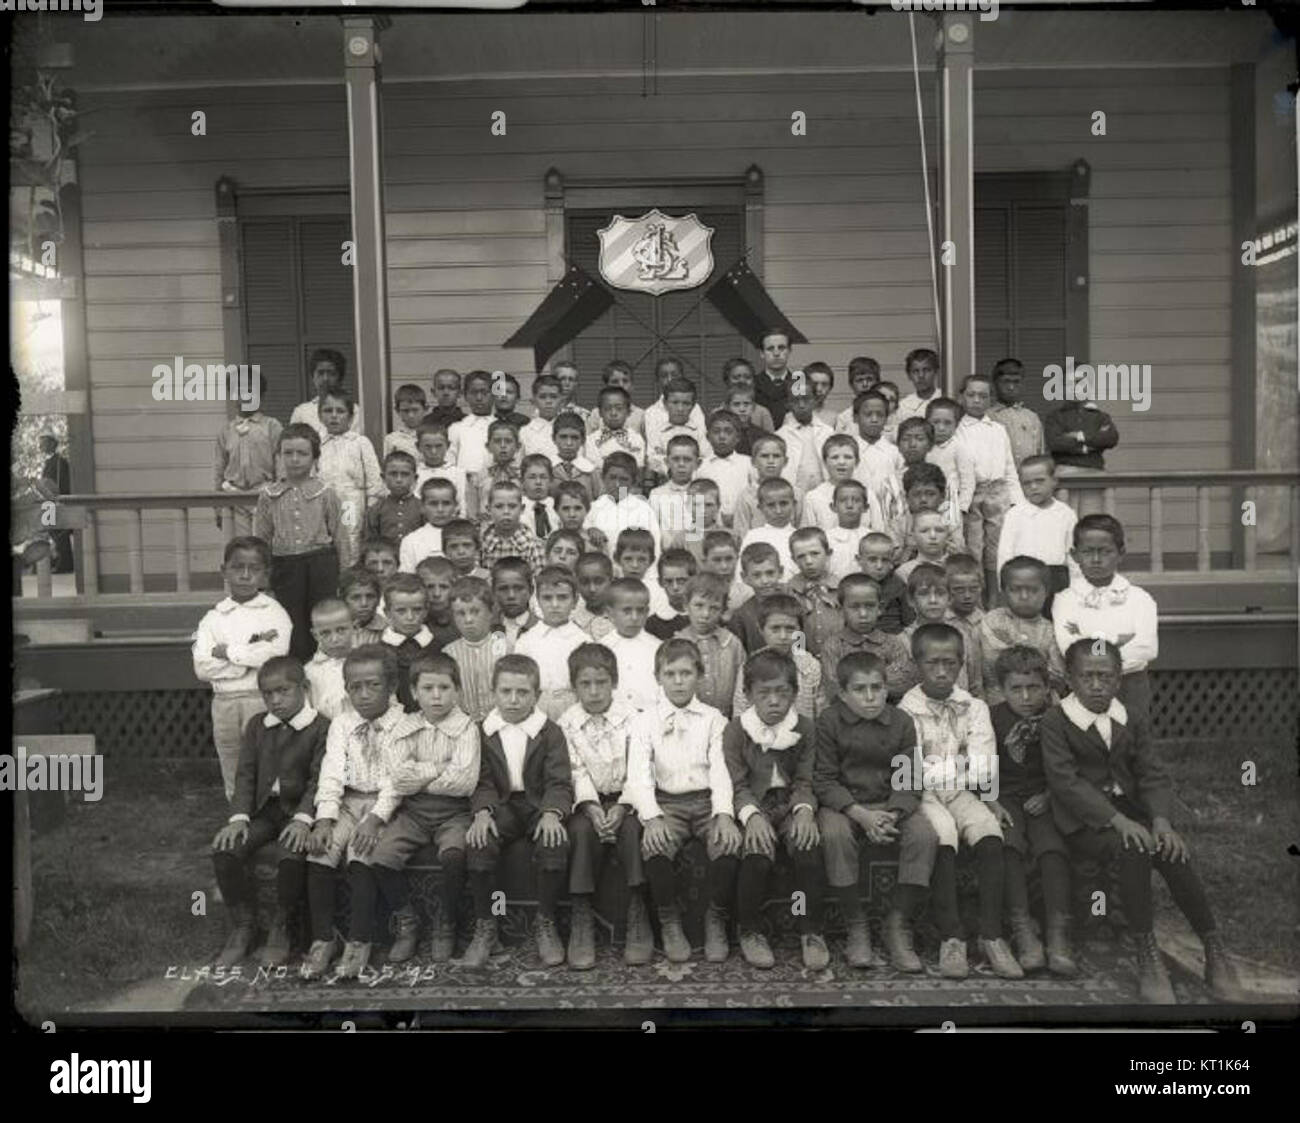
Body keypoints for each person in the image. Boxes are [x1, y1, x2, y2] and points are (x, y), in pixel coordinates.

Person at [1041, 640, 1244, 1003]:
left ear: (1119, 680)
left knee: (1169, 851)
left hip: (1130, 812)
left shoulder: (1129, 717)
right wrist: (1118, 822)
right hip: (1083, 822)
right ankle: (1146, 950)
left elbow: (1151, 773)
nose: (1097, 685)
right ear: (1070, 680)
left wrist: (1162, 822)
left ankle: (1214, 947)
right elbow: (1066, 783)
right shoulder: (1056, 721)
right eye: (1087, 676)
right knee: (1133, 846)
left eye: (1105, 676)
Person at [899, 623, 1023, 980]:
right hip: (922, 795)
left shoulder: (975, 707)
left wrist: (953, 770)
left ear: (962, 664)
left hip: (962, 791)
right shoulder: (906, 710)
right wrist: (959, 764)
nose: (941, 672)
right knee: (944, 833)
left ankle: (991, 934)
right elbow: (910, 771)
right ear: (916, 664)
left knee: (988, 831)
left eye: (950, 664)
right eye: (932, 663)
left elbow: (983, 767)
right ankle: (951, 935)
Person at [814, 650, 937, 970]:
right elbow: (824, 780)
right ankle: (856, 924)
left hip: (889, 802)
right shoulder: (829, 721)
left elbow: (910, 779)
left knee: (924, 835)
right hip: (845, 805)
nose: (870, 697)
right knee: (834, 834)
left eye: (877, 688)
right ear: (842, 693)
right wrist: (861, 815)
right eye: (859, 689)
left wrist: (893, 814)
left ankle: (898, 924)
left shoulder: (901, 721)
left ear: (887, 688)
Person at [623, 638, 741, 963]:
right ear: (658, 676)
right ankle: (668, 920)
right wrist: (652, 816)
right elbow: (638, 774)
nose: (678, 681)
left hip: (705, 801)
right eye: (670, 673)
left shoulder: (714, 718)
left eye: (686, 673)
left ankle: (716, 916)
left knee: (728, 843)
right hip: (667, 803)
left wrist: (723, 814)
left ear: (698, 675)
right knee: (656, 846)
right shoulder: (645, 719)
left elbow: (720, 770)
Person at [363, 651, 480, 965]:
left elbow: (464, 782)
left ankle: (446, 921)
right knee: (381, 859)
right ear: (414, 692)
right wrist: (439, 767)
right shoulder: (405, 727)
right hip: (413, 812)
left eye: (444, 688)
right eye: (428, 689)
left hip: (455, 812)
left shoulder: (467, 727)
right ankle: (407, 920)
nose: (437, 696)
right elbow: (399, 780)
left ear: (457, 690)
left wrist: (420, 771)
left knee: (455, 855)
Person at [211, 654, 328, 968]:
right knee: (226, 849)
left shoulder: (320, 727)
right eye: (268, 694)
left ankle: (282, 927)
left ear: (303, 688)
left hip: (299, 812)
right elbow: (245, 775)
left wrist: (305, 819)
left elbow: (320, 780)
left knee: (291, 854)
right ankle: (243, 926)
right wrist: (238, 818)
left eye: (283, 691)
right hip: (265, 811)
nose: (275, 701)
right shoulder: (257, 726)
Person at [463, 654, 574, 968]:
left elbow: (559, 781)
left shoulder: (549, 732)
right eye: (505, 692)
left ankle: (545, 920)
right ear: (493, 692)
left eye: (522, 693)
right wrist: (483, 812)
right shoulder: (483, 731)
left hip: (538, 804)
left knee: (553, 843)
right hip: (500, 804)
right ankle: (490, 921)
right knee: (481, 844)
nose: (513, 700)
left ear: (536, 696)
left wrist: (552, 813)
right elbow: (480, 780)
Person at [303, 645, 407, 979]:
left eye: (372, 685)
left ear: (391, 686)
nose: (362, 695)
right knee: (320, 852)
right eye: (354, 687)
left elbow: (398, 782)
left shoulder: (405, 724)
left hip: (385, 805)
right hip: (347, 802)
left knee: (361, 854)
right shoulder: (342, 724)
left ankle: (360, 940)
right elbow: (331, 773)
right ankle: (323, 939)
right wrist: (324, 819)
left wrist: (376, 818)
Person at [725, 649, 828, 969]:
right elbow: (738, 785)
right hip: (755, 806)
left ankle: (809, 927)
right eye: (764, 693)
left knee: (807, 849)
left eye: (782, 693)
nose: (774, 702)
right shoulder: (736, 730)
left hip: (791, 803)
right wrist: (752, 817)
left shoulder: (806, 728)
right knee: (755, 855)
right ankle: (750, 929)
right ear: (748, 695)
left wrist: (804, 810)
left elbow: (806, 778)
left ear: (795, 694)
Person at [986, 645, 1076, 976]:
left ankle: (1058, 933)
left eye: (1033, 688)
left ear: (1046, 687)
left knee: (1052, 848)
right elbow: (983, 765)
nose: (1025, 697)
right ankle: (1023, 929)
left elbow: (1072, 765)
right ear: (1002, 689)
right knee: (1009, 845)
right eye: (1016, 689)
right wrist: (991, 800)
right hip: (1005, 795)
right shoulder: (992, 717)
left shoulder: (1058, 717)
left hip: (1044, 795)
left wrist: (1051, 795)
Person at [559, 643, 649, 968]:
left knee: (632, 831)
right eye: (585, 684)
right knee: (582, 834)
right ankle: (581, 918)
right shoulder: (566, 724)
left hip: (628, 799)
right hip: (588, 802)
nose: (594, 692)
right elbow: (574, 770)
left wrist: (623, 805)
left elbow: (640, 767)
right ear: (574, 686)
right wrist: (592, 807)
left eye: (601, 683)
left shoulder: (634, 718)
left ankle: (638, 910)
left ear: (614, 682)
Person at [194, 536, 293, 800]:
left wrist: (228, 653)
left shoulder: (273, 613)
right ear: (224, 571)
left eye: (254, 568)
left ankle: (270, 809)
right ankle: (237, 808)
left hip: (259, 698)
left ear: (265, 574)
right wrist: (246, 662)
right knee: (231, 756)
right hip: (223, 701)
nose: (245, 575)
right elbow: (203, 667)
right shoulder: (213, 618)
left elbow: (274, 654)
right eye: (238, 567)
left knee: (264, 755)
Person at [255, 424, 350, 662]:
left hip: (321, 565)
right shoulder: (269, 495)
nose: (295, 459)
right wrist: (263, 577)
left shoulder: (326, 492)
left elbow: (340, 534)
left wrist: (345, 574)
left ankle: (326, 668)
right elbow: (263, 539)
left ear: (315, 457)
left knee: (322, 619)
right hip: (285, 567)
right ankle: (299, 672)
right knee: (291, 624)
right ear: (279, 456)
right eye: (288, 453)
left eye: (302, 453)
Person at [1051, 513, 1157, 725]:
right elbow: (1070, 647)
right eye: (1088, 552)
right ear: (1074, 555)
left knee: (1130, 736)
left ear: (1121, 553)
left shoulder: (1139, 598)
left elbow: (1146, 648)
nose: (1097, 559)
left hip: (1129, 684)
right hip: (1084, 684)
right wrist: (1118, 639)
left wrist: (1093, 640)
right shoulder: (1065, 600)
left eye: (1105, 552)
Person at [957, 374, 1025, 599]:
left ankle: (994, 598)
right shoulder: (958, 431)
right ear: (962, 397)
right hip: (972, 495)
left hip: (998, 492)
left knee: (997, 547)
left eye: (982, 396)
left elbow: (1009, 467)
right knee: (974, 547)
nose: (976, 400)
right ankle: (975, 597)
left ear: (990, 400)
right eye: (971, 395)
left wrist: (1018, 502)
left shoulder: (998, 429)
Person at [980, 557, 1068, 706]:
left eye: (1033, 590)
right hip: (1000, 701)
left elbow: (1058, 675)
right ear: (1003, 590)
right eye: (1015, 590)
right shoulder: (993, 620)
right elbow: (996, 663)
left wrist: (1012, 645)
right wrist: (1039, 660)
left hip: (1042, 704)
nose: (1024, 596)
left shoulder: (1052, 629)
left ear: (1046, 592)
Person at [997, 454, 1077, 614]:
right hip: (1024, 578)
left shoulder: (1066, 514)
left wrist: (1077, 586)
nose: (1033, 487)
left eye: (1039, 481)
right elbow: (1005, 552)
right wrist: (1004, 585)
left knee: (1057, 618)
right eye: (1027, 483)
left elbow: (1073, 554)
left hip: (1057, 578)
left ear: (1054, 481)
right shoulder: (1015, 514)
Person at [819, 573, 915, 704]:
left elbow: (903, 683)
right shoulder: (833, 645)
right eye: (854, 607)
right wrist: (883, 678)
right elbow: (835, 689)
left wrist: (854, 683)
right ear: (841, 610)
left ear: (880, 608)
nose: (863, 614)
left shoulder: (892, 643)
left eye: (869, 606)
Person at [732, 592, 826, 720]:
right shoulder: (750, 666)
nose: (783, 636)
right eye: (775, 629)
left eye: (790, 629)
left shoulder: (810, 666)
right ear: (761, 630)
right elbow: (740, 711)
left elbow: (820, 711)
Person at [317, 389, 384, 563]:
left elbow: (374, 479)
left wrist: (371, 509)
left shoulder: (360, 443)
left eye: (340, 411)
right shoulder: (317, 443)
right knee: (324, 543)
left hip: (350, 502)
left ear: (351, 417)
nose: (334, 416)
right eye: (328, 411)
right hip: (323, 502)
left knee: (350, 541)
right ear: (320, 416)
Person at [514, 566, 587, 720]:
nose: (554, 604)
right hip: (535, 707)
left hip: (573, 706)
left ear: (575, 600)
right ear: (537, 600)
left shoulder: (583, 641)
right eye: (547, 598)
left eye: (562, 597)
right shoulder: (526, 641)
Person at [213, 381, 280, 538]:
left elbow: (280, 465)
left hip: (263, 495)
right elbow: (219, 468)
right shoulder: (226, 430)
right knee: (237, 546)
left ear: (261, 396)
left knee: (262, 545)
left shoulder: (271, 426)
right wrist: (217, 506)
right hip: (233, 498)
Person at [680, 572, 744, 715]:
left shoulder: (732, 643)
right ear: (686, 605)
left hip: (726, 717)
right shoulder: (678, 643)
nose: (705, 614)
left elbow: (742, 685)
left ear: (723, 610)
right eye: (699, 605)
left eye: (714, 608)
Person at [1044, 396, 1119, 517]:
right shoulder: (1055, 416)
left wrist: (1080, 436)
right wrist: (1089, 446)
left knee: (1090, 519)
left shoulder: (1100, 416)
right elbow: (1055, 443)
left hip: (1093, 473)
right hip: (1065, 473)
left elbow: (1110, 438)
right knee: (1066, 520)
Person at [443, 576, 504, 722]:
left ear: (490, 612)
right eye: (461, 613)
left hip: (500, 722)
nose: (468, 620)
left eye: (475, 611)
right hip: (463, 725)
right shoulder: (448, 654)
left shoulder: (504, 646)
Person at [601, 577, 662, 712]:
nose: (634, 617)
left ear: (647, 612)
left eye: (640, 611)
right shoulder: (601, 649)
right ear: (610, 613)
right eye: (627, 611)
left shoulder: (658, 648)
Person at [583, 452, 660, 556]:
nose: (617, 484)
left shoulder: (643, 510)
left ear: (633, 481)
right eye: (612, 477)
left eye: (624, 479)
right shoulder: (592, 509)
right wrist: (590, 530)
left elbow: (655, 549)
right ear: (603, 477)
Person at [380, 573, 437, 712]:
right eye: (401, 611)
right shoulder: (379, 651)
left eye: (417, 610)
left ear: (426, 611)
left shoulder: (437, 646)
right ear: (387, 612)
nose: (410, 617)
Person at [733, 433, 800, 540]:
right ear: (753, 461)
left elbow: (804, 528)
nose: (770, 461)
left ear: (785, 461)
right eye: (764, 456)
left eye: (776, 456)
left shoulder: (796, 493)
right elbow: (741, 534)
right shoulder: (746, 496)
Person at [787, 526, 841, 657]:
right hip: (803, 661)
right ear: (794, 559)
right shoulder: (789, 592)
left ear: (828, 553)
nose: (809, 561)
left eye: (815, 554)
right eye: (801, 556)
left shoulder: (842, 588)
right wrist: (801, 658)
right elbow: (792, 629)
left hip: (839, 658)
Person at [726, 541, 787, 654]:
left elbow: (801, 639)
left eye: (770, 573)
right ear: (744, 577)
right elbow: (741, 653)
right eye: (757, 575)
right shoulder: (741, 616)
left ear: (781, 572)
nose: (765, 581)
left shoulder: (793, 603)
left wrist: (800, 658)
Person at [775, 380, 833, 494]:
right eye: (796, 400)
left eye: (806, 399)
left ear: (815, 401)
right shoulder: (780, 436)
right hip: (793, 494)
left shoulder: (828, 432)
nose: (801, 405)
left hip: (823, 493)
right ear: (788, 403)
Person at [696, 410, 752, 526]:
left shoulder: (748, 464)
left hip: (742, 523)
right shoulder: (700, 466)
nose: (722, 436)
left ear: (738, 437)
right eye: (716, 432)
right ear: (708, 437)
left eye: (728, 432)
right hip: (708, 525)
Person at [645, 377, 708, 479]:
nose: (680, 409)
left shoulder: (699, 432)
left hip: (694, 484)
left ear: (693, 405)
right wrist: (672, 471)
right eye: (675, 403)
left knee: (698, 495)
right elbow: (653, 460)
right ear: (665, 404)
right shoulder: (657, 433)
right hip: (665, 483)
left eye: (686, 403)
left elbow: (705, 458)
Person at [988, 358, 1045, 471]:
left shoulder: (1031, 418)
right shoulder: (988, 417)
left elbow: (1039, 452)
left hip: (1028, 481)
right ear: (995, 383)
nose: (1011, 387)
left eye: (1016, 382)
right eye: (1006, 381)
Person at [739, 477, 800, 581]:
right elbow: (743, 572)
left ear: (794, 504)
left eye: (784, 503)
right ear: (760, 508)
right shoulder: (754, 536)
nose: (778, 511)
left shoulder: (800, 536)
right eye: (771, 505)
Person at [290, 349, 360, 438]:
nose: (325, 378)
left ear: (340, 378)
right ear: (313, 377)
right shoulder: (301, 412)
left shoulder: (355, 411)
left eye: (331, 373)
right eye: (320, 373)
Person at [801, 434, 862, 533]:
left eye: (848, 457)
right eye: (835, 457)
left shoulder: (867, 494)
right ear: (824, 462)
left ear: (857, 461)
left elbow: (877, 532)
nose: (841, 462)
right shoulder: (813, 497)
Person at [304, 597, 353, 720]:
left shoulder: (368, 662)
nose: (335, 639)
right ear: (315, 635)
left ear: (354, 627)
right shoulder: (309, 672)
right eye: (325, 633)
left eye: (341, 630)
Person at [480, 480, 545, 571]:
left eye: (512, 506)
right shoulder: (482, 543)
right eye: (499, 506)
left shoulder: (533, 545)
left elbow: (538, 581)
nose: (506, 512)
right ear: (488, 509)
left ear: (522, 509)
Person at [648, 435, 700, 550]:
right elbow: (653, 532)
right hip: (668, 557)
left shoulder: (703, 492)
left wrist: (686, 537)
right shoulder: (657, 494)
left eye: (687, 459)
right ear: (667, 462)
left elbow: (707, 528)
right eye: (676, 459)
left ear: (697, 463)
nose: (681, 464)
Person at [398, 477, 458, 574]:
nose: (440, 509)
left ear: (455, 505)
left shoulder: (465, 534)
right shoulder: (411, 541)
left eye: (446, 503)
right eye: (433, 504)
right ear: (422, 507)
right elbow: (408, 578)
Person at [857, 531, 912, 634]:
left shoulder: (898, 585)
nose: (879, 566)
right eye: (873, 560)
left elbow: (908, 619)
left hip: (893, 638)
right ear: (859, 560)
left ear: (892, 562)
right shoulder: (853, 585)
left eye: (885, 560)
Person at [471, 419, 525, 523]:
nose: (503, 446)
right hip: (486, 527)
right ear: (488, 446)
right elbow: (473, 508)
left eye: (508, 441)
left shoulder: (524, 475)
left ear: (518, 446)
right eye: (497, 441)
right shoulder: (479, 475)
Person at [447, 370, 498, 478]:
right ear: (465, 396)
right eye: (473, 393)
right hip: (465, 486)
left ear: (494, 395)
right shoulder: (457, 428)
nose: (479, 398)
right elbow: (449, 462)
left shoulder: (502, 427)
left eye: (484, 392)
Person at [366, 451, 423, 545]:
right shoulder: (376, 509)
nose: (399, 480)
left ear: (415, 478)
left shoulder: (422, 507)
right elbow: (371, 542)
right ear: (383, 477)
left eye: (405, 474)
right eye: (393, 474)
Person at [585, 385, 647, 469]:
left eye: (619, 408)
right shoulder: (591, 440)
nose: (613, 413)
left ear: (628, 412)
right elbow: (591, 465)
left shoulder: (636, 439)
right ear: (600, 412)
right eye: (607, 408)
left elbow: (638, 464)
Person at [491, 555, 539, 651]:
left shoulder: (539, 629)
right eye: (503, 589)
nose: (511, 595)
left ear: (531, 590)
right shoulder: (488, 628)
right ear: (493, 591)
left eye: (518, 588)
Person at [550, 413, 599, 502]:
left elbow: (603, 501)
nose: (569, 443)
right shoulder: (546, 469)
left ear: (583, 440)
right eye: (563, 437)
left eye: (575, 438)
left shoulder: (590, 470)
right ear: (553, 438)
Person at [718, 357, 775, 432]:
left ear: (754, 381)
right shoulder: (718, 413)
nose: (742, 381)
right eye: (736, 377)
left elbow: (772, 440)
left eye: (747, 377)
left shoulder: (762, 413)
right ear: (727, 381)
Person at [753, 328, 795, 427]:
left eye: (781, 348)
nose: (776, 353)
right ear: (762, 353)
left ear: (789, 351)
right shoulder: (752, 384)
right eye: (770, 349)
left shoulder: (800, 383)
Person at [572, 551, 615, 640]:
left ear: (611, 581)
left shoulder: (623, 620)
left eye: (599, 581)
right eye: (584, 582)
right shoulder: (573, 623)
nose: (592, 589)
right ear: (577, 584)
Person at [894, 347, 941, 428]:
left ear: (936, 372)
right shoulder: (904, 406)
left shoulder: (943, 397)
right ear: (909, 375)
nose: (921, 376)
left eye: (926, 370)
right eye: (915, 371)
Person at [834, 356, 881, 433]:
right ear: (851, 384)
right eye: (859, 380)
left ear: (878, 382)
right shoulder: (844, 418)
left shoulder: (890, 413)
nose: (865, 384)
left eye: (869, 379)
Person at [340, 567, 385, 647]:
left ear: (378, 599)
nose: (364, 604)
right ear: (343, 599)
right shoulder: (335, 628)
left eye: (370, 596)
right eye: (356, 597)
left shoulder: (388, 631)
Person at [519, 454, 558, 541]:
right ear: (522, 481)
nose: (538, 482)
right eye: (532, 477)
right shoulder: (517, 508)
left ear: (551, 480)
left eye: (543, 477)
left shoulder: (557, 506)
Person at [385, 383, 428, 461]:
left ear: (425, 409)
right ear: (397, 411)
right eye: (405, 411)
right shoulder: (392, 439)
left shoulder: (433, 435)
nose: (411, 415)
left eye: (415, 410)